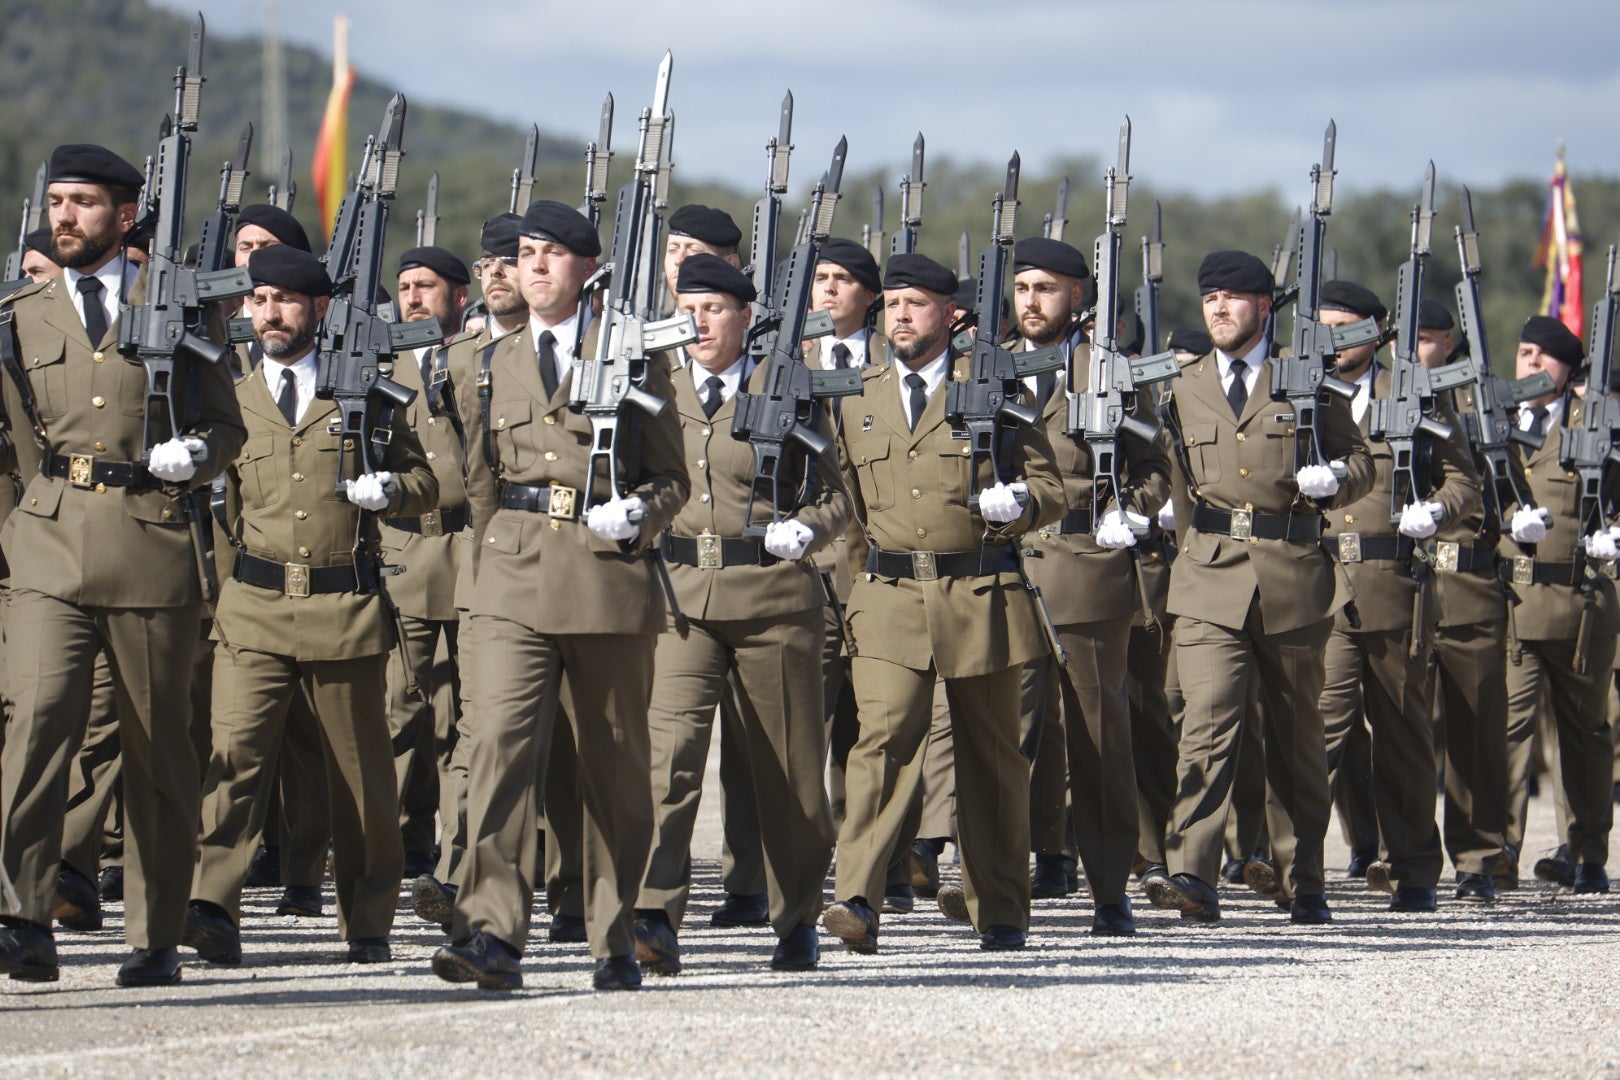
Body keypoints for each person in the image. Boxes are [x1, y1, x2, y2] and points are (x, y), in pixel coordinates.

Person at [0, 144, 246, 986]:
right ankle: (22, 918)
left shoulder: (182, 313)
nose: (64, 217)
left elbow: (228, 427)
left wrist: (196, 457)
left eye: (84, 203)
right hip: (50, 542)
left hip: (152, 541)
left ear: (125, 215)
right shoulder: (21, 314)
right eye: (58, 201)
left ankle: (156, 932)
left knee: (157, 749)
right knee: (35, 727)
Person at [430, 200, 688, 992]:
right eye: (524, 253)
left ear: (586, 269)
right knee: (499, 748)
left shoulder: (637, 363)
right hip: (509, 574)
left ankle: (612, 934)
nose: (532, 266)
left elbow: (673, 477)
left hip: (606, 579)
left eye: (550, 254)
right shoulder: (483, 362)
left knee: (614, 768)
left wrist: (638, 513)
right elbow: (479, 482)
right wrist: (489, 564)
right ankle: (493, 932)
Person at [184, 244, 438, 966]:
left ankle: (366, 917)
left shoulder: (365, 394)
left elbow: (424, 481)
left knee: (359, 775)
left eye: (285, 302)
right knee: (232, 759)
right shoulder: (228, 399)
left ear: (318, 309)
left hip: (344, 609)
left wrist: (390, 492)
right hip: (254, 609)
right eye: (259, 301)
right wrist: (223, 596)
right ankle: (212, 906)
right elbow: (223, 512)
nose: (269, 314)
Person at [821, 252, 1064, 954]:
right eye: (891, 303)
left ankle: (1000, 905)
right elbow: (847, 499)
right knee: (881, 748)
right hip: (891, 595)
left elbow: (1051, 487)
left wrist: (1019, 503)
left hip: (981, 591)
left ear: (950, 315)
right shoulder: (856, 394)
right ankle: (857, 898)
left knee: (992, 761)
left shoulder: (993, 387)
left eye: (915, 303)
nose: (899, 315)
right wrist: (857, 593)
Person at [632, 254, 847, 975]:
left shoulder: (788, 393)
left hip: (774, 599)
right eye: (686, 307)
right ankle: (653, 912)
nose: (697, 322)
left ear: (746, 318)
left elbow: (841, 494)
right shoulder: (654, 388)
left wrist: (809, 531)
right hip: (681, 596)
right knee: (669, 757)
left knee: (787, 770)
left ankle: (795, 916)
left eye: (714, 308)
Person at [1146, 250, 1374, 925]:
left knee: (1298, 737)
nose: (1218, 308)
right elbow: (1172, 477)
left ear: (1263, 307)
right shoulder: (1181, 388)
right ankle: (1193, 872)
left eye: (1234, 298)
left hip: (1292, 575)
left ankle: (1304, 875)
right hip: (1209, 575)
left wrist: (1337, 480)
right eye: (1210, 296)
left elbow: (1359, 461)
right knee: (1207, 725)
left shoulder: (1309, 384)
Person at [1011, 237, 1170, 934]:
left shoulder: (1110, 374)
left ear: (1078, 297)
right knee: (1003, 733)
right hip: (1006, 566)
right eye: (1021, 288)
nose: (1031, 301)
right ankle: (1001, 883)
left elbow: (1156, 467)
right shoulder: (992, 371)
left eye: (1045, 288)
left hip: (1086, 562)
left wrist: (1129, 512)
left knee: (1098, 736)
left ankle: (1110, 888)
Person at [1306, 280, 1479, 913]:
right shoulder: (1302, 395)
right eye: (1322, 327)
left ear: (1376, 334)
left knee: (1403, 732)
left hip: (1394, 585)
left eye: (1345, 328)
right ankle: (1299, 867)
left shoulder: (1413, 395)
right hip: (1320, 587)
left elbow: (1466, 482)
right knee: (1315, 729)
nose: (1332, 340)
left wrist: (1437, 510)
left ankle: (1413, 869)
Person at [1500, 315, 1616, 894]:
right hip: (1513, 603)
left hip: (1580, 605)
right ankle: (1502, 851)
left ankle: (1589, 850)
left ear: (1569, 368)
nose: (1529, 364)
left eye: (1541, 356)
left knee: (1585, 734)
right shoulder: (1496, 425)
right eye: (1522, 353)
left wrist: (1613, 532)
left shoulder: (1596, 427)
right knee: (1508, 731)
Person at [1416, 298, 1514, 901]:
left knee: (1475, 730)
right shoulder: (1379, 404)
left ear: (1450, 345)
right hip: (1405, 585)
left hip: (1470, 585)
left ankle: (1477, 858)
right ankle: (1401, 851)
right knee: (1399, 728)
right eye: (1414, 339)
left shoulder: (1484, 411)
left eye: (1433, 339)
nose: (1424, 351)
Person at [386, 243, 471, 881]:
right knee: (398, 707)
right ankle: (392, 846)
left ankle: (460, 851)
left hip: (470, 552)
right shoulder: (380, 366)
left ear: (458, 297)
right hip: (405, 550)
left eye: (427, 286)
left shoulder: (481, 360)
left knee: (466, 714)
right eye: (405, 286)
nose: (413, 297)